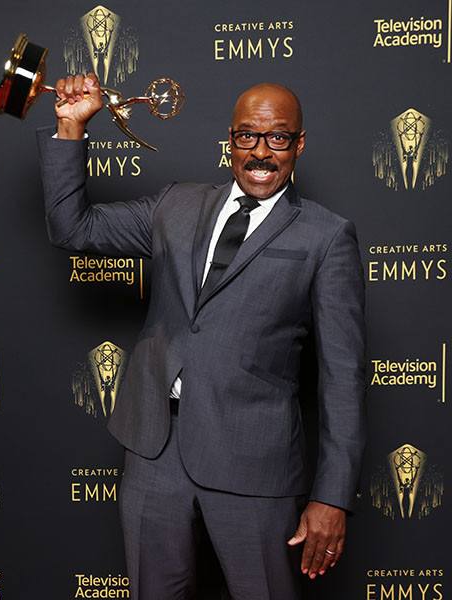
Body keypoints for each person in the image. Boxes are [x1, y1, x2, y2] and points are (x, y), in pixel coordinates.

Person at [37, 73, 366, 600]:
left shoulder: (326, 236)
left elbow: (343, 378)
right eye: (247, 136)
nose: (261, 152)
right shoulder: (176, 205)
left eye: (278, 137)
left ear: (299, 144)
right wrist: (71, 127)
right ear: (230, 140)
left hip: (254, 464)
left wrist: (332, 497)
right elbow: (73, 228)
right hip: (154, 452)